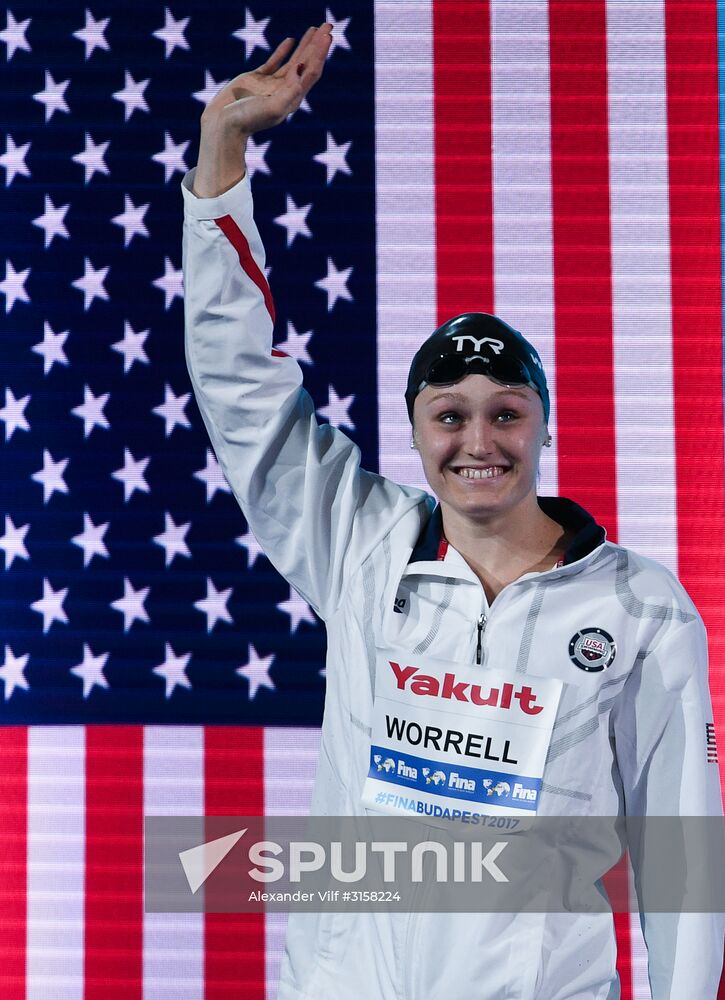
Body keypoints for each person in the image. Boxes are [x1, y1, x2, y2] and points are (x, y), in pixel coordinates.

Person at [182, 23, 724, 999]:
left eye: (505, 413)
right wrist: (223, 147)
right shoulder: (359, 542)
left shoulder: (640, 608)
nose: (478, 441)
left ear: (542, 427)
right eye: (449, 416)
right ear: (415, 430)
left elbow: (684, 861)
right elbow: (238, 389)